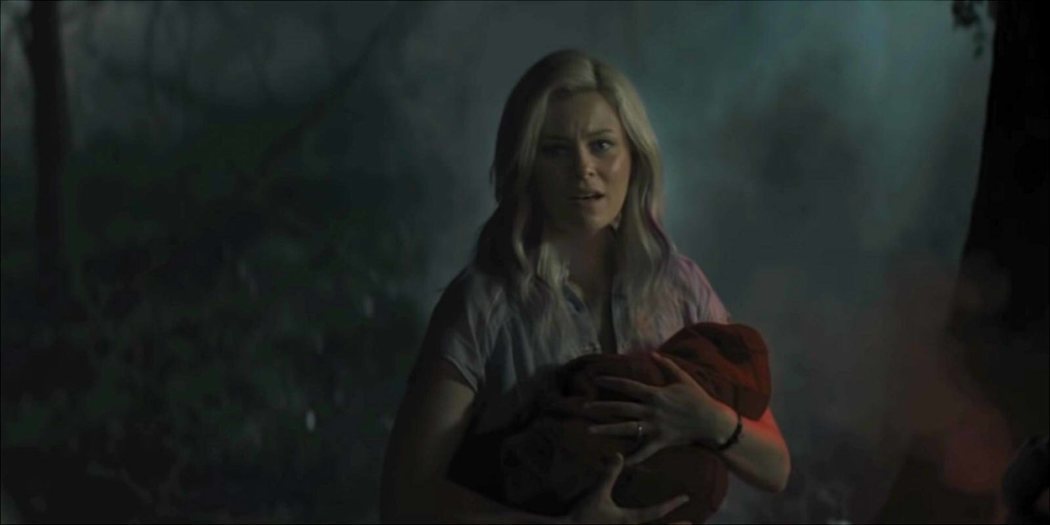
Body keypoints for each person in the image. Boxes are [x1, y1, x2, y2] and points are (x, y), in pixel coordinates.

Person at [380, 49, 790, 524]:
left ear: (635, 155)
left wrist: (708, 420)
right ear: (525, 164)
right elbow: (405, 501)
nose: (583, 168)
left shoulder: (680, 285)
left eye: (602, 145)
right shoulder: (483, 303)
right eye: (555, 149)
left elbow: (775, 467)